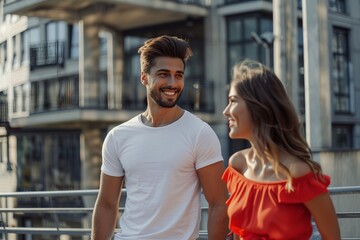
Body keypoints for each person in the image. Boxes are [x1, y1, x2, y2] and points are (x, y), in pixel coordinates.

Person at [91, 35, 228, 240]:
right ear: (144, 77)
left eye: (179, 75)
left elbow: (218, 204)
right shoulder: (118, 136)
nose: (173, 83)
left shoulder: (199, 133)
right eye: (164, 74)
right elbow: (107, 204)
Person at [222, 59, 341, 240]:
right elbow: (239, 234)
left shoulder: (299, 173)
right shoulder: (237, 165)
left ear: (259, 106)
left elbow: (332, 238)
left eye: (232, 101)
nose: (226, 111)